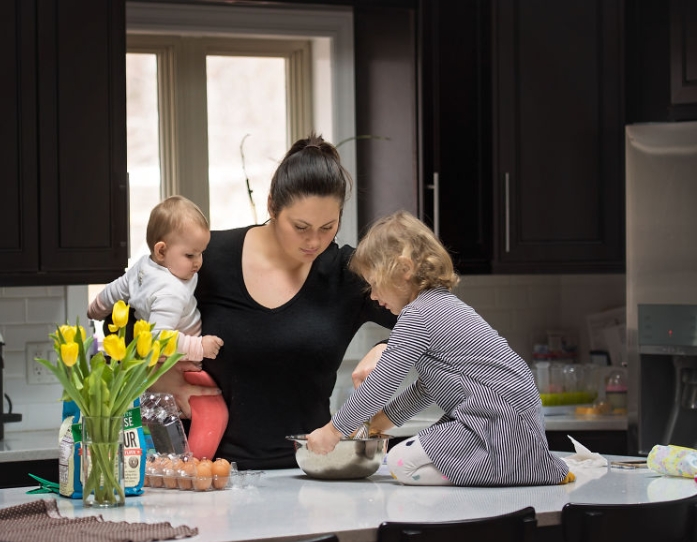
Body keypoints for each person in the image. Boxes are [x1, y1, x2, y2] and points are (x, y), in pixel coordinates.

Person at [146, 133, 397, 470]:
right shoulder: (208, 259)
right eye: (301, 227)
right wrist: (160, 379)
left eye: (328, 227)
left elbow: (439, 321)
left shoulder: (346, 273)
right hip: (207, 476)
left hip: (312, 473)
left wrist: (387, 348)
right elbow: (129, 324)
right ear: (272, 207)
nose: (314, 241)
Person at [306, 210, 576, 487]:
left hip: (496, 420)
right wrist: (380, 423)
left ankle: (528, 469)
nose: (373, 296)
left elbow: (382, 383)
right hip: (507, 420)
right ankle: (526, 464)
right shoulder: (440, 305)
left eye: (374, 284)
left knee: (400, 462)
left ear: (404, 269)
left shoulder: (417, 315)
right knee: (416, 458)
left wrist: (334, 430)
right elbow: (427, 389)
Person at [87, 195, 227, 460]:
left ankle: (165, 462)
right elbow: (160, 339)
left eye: (201, 253)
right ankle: (192, 465)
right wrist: (200, 346)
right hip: (178, 361)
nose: (198, 262)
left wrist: (97, 308)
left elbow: (117, 289)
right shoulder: (169, 291)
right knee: (213, 412)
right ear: (161, 251)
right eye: (190, 255)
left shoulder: (143, 267)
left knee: (162, 416)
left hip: (152, 362)